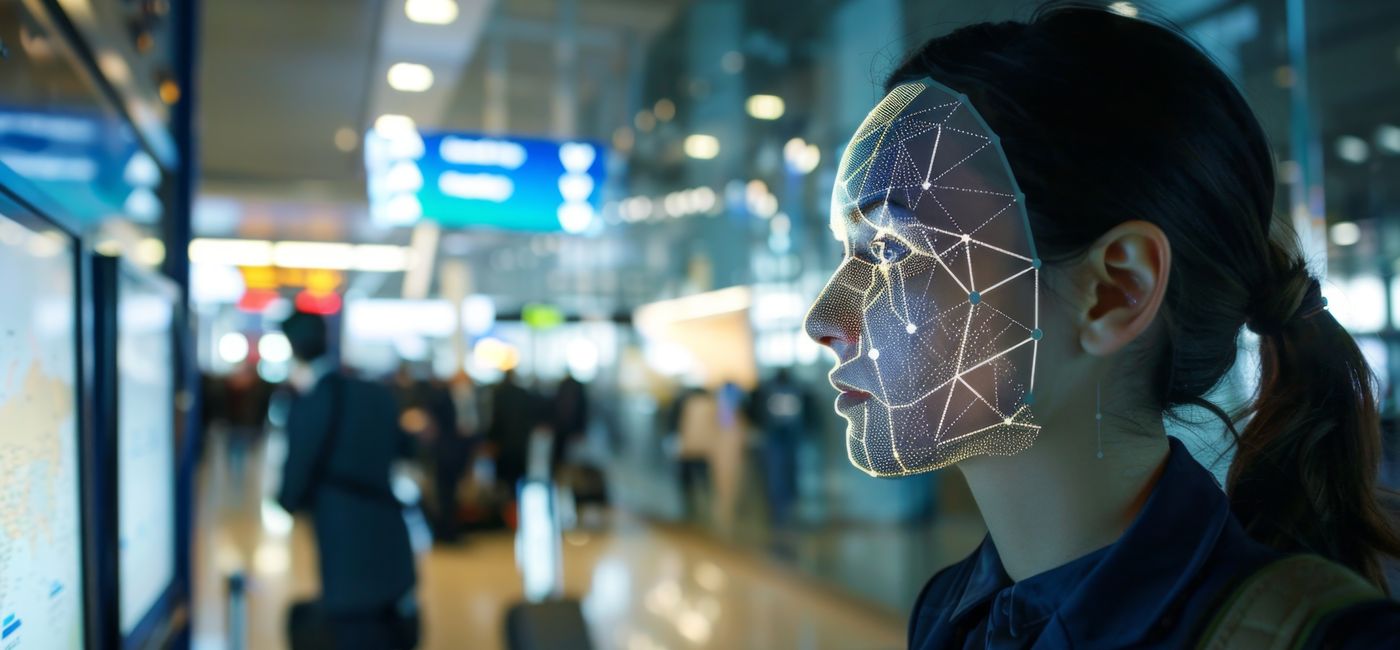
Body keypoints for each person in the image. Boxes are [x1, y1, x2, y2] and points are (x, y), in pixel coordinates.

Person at [803, 4, 1400, 648]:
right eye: (849, 250)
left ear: (1116, 291)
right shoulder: (948, 613)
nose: (823, 320)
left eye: (892, 249)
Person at [277, 311, 418, 649]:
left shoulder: (311, 400)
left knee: (352, 625)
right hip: (388, 525)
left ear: (293, 347)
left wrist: (287, 501)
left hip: (342, 530)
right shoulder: (375, 393)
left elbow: (299, 465)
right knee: (385, 621)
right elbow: (406, 447)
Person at [751, 368, 812, 528]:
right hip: (777, 437)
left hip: (787, 437)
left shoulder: (790, 388)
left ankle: (786, 509)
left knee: (785, 472)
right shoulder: (792, 388)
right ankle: (780, 510)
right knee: (779, 473)